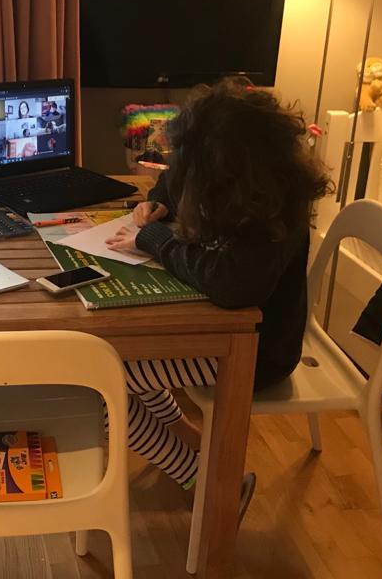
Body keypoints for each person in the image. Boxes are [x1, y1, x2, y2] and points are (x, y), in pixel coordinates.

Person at [105, 79, 329, 502]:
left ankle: (213, 482)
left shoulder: (273, 218)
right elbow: (175, 180)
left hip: (255, 355)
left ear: (227, 169)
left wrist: (152, 238)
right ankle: (188, 438)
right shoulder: (246, 184)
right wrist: (159, 202)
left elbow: (231, 284)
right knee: (119, 356)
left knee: (97, 383)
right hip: (223, 336)